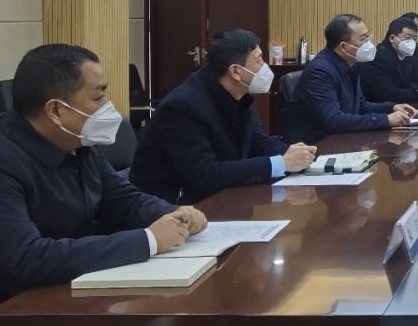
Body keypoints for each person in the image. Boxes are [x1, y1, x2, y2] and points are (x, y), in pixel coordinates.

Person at [0, 44, 206, 326]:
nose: (108, 107)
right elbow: (27, 259)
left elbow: (125, 201)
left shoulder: (75, 144)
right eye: (99, 96)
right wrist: (147, 240)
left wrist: (175, 214)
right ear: (56, 110)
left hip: (60, 311)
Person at [130, 29, 318, 204]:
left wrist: (296, 155)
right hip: (173, 209)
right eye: (259, 60)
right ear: (235, 71)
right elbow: (205, 174)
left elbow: (256, 143)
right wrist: (281, 163)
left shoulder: (237, 94)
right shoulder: (182, 107)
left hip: (224, 199)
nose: (264, 67)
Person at [284, 14, 418, 143]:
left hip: (341, 142)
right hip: (314, 147)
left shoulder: (351, 65)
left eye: (368, 37)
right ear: (344, 47)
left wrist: (392, 107)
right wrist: (386, 120)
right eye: (364, 39)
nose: (369, 44)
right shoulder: (320, 72)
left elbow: (360, 106)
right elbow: (334, 121)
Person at [359, 17, 418, 103]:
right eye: (407, 38)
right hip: (378, 108)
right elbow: (387, 94)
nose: (412, 43)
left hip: (398, 106)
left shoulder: (404, 54)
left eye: (414, 39)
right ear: (392, 38)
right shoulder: (378, 57)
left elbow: (405, 83)